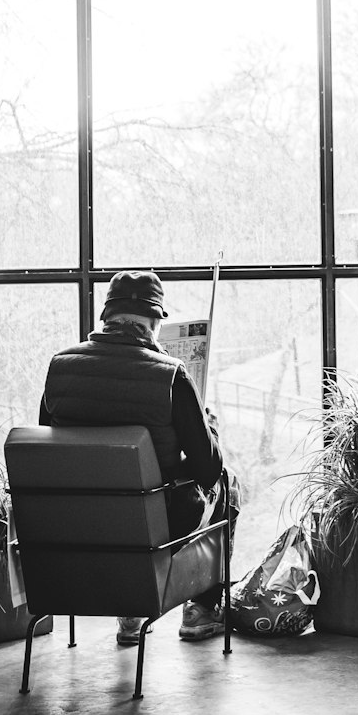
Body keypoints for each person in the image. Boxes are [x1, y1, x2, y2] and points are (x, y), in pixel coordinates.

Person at [38, 269, 239, 646]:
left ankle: (129, 612)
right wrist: (208, 427)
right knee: (229, 485)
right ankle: (202, 611)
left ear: (107, 317)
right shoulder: (170, 376)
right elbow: (209, 469)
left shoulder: (59, 367)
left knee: (123, 503)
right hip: (154, 528)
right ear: (154, 322)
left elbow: (52, 450)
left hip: (76, 526)